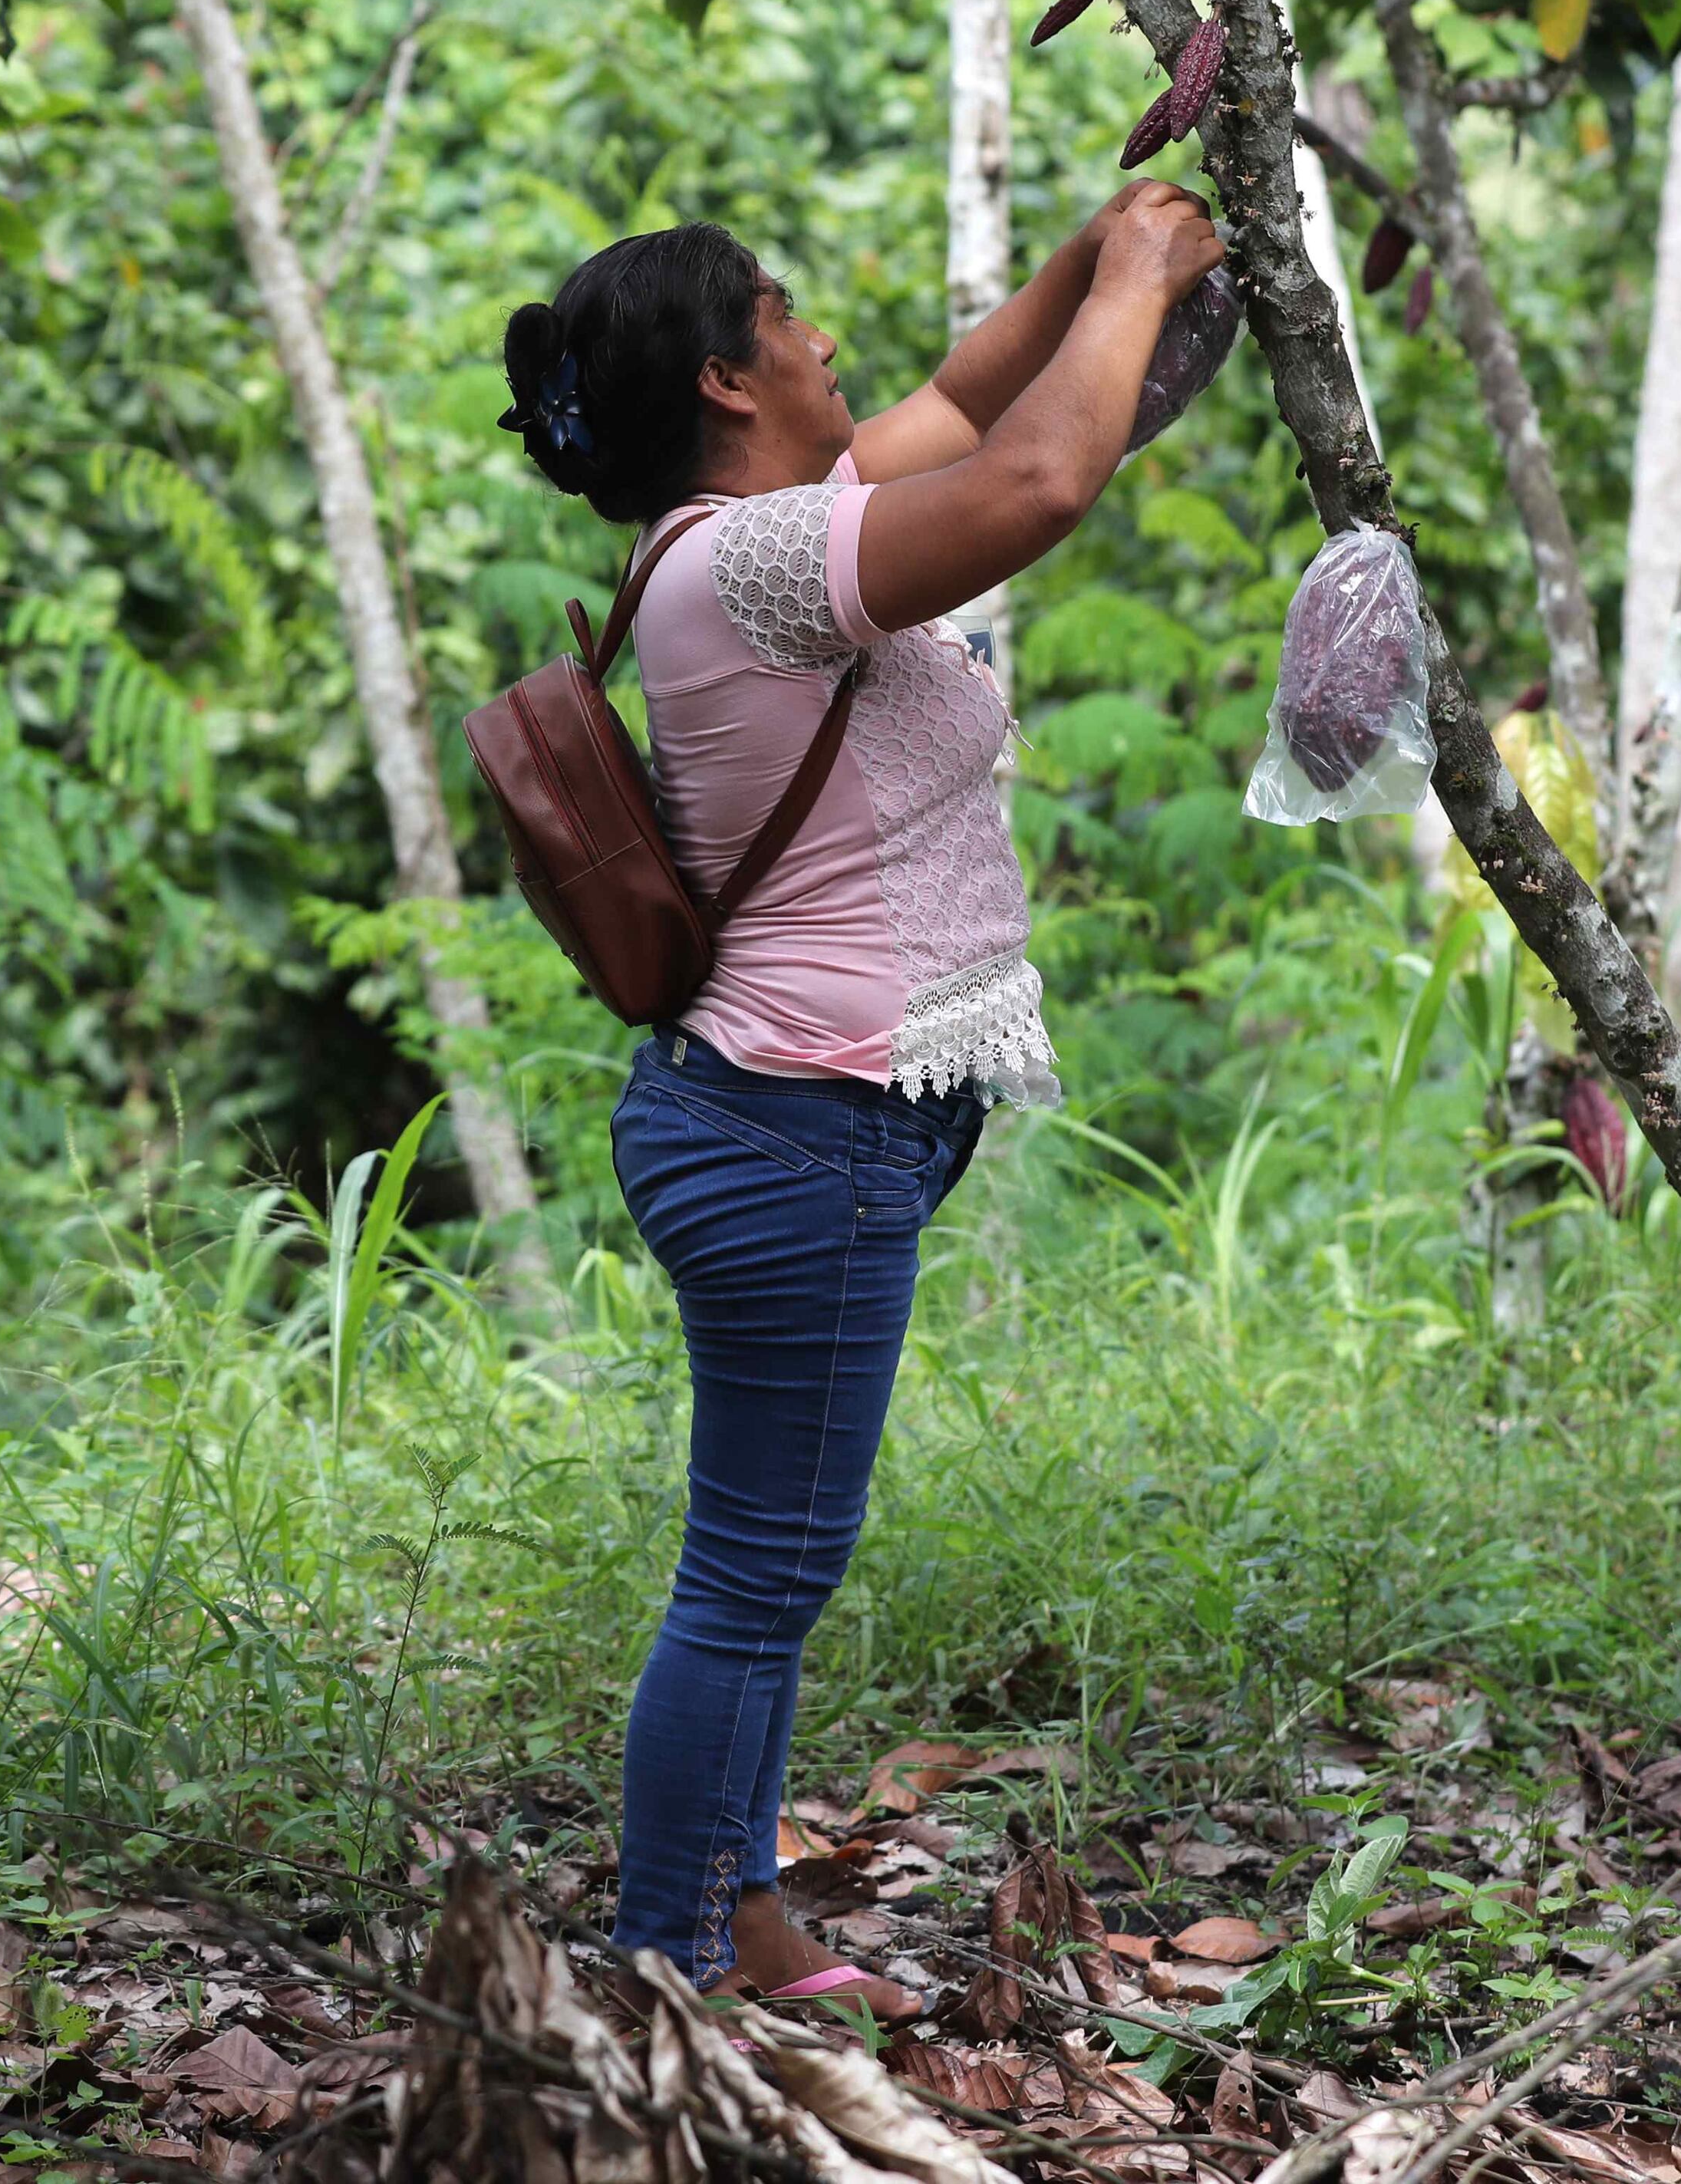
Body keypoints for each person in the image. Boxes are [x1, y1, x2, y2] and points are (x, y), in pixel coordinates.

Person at [492, 182, 1228, 2011]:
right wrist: (1139, 279)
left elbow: (978, 409)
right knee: (753, 1579)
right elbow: (1037, 482)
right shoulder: (745, 567)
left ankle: (731, 1917)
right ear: (734, 379)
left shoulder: (767, 528)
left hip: (794, 1121)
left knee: (762, 1569)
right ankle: (660, 1968)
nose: (829, 338)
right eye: (791, 309)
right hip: (791, 1131)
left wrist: (1099, 240)